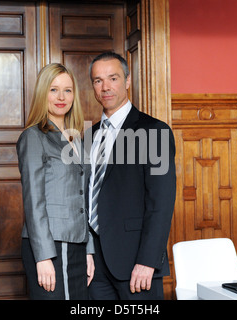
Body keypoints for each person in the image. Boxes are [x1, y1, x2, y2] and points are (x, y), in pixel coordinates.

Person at [87, 52, 176, 300]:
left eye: (113, 78)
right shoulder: (88, 136)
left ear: (127, 81)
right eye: (97, 80)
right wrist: (85, 252)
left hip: (136, 265)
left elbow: (162, 202)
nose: (105, 87)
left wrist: (148, 261)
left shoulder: (154, 131)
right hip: (94, 268)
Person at [17, 63, 95, 300]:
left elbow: (86, 197)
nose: (61, 97)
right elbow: (34, 202)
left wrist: (89, 250)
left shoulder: (79, 138)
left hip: (77, 245)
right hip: (50, 245)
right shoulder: (33, 136)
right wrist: (43, 257)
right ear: (43, 93)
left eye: (68, 90)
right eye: (54, 90)